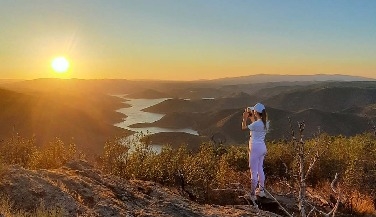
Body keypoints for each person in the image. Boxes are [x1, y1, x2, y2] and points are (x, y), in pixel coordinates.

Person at [242, 102, 269, 200]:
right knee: (260, 168)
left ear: (256, 112)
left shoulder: (257, 124)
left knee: (253, 171)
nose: (252, 112)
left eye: (253, 111)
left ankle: (252, 194)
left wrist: (245, 118)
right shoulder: (266, 122)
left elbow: (244, 127)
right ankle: (261, 191)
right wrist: (252, 118)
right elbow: (255, 125)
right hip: (262, 147)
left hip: (254, 148)